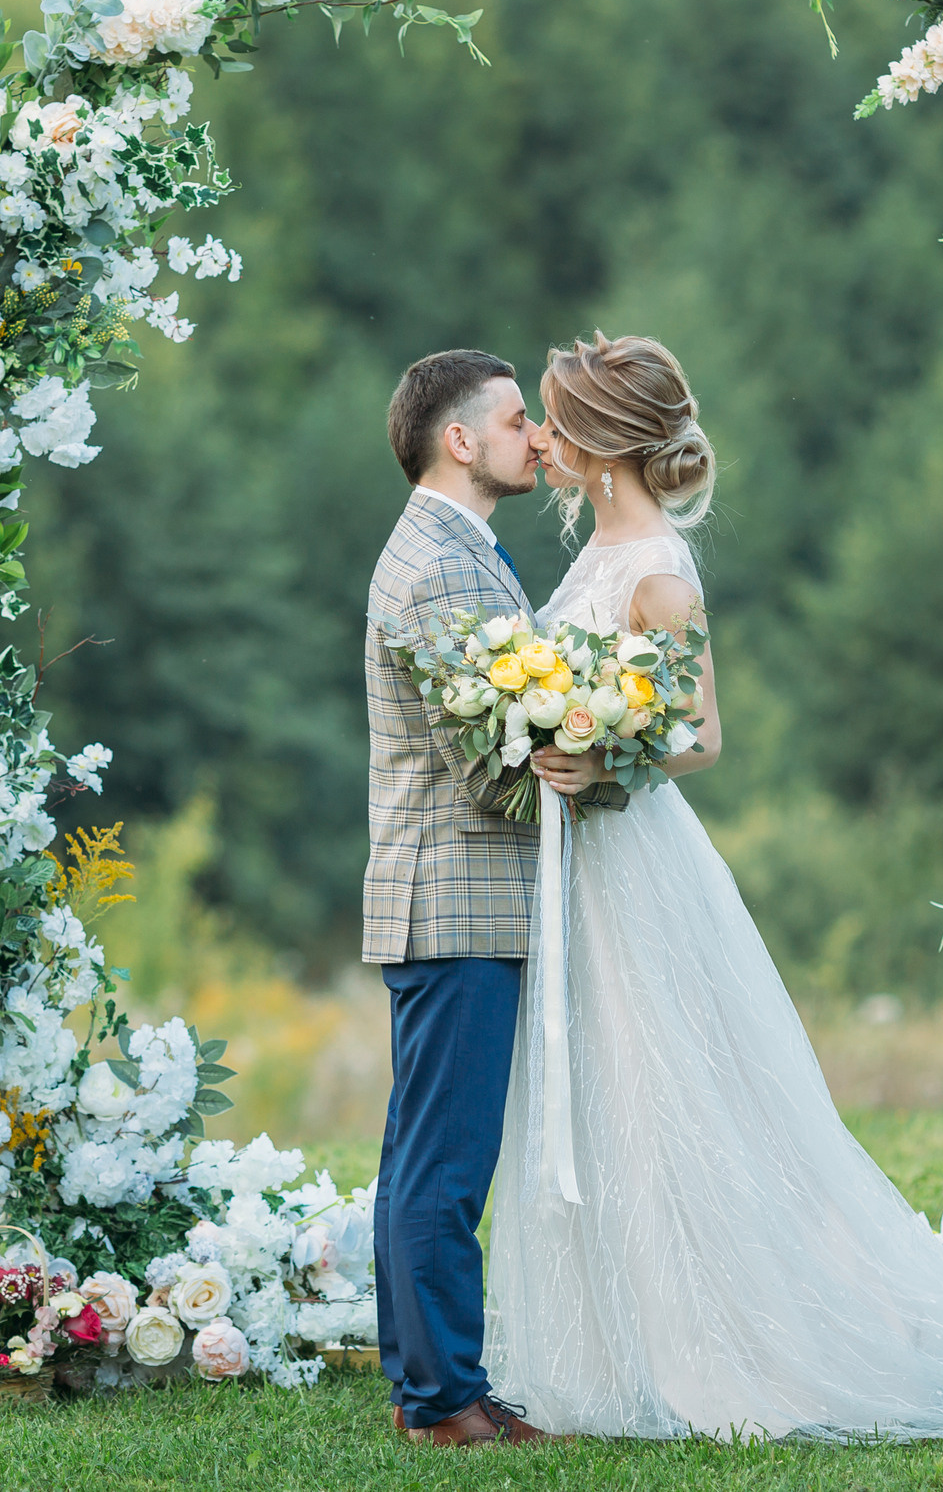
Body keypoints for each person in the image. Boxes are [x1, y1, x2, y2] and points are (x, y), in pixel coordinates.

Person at [485, 331, 943, 1440]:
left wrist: (600, 758)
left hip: (632, 858)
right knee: (600, 1080)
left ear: (601, 447)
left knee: (665, 1089)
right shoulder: (605, 546)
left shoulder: (653, 566)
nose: (541, 442)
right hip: (579, 863)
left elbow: (700, 735)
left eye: (555, 422)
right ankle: (611, 1345)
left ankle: (738, 1342)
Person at [361, 348, 560, 1447]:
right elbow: (486, 763)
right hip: (456, 900)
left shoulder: (459, 553)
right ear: (460, 440)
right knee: (442, 1164)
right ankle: (445, 1402)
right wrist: (596, 772)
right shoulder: (439, 566)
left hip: (457, 903)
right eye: (518, 419)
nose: (537, 438)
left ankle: (425, 1384)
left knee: (422, 1156)